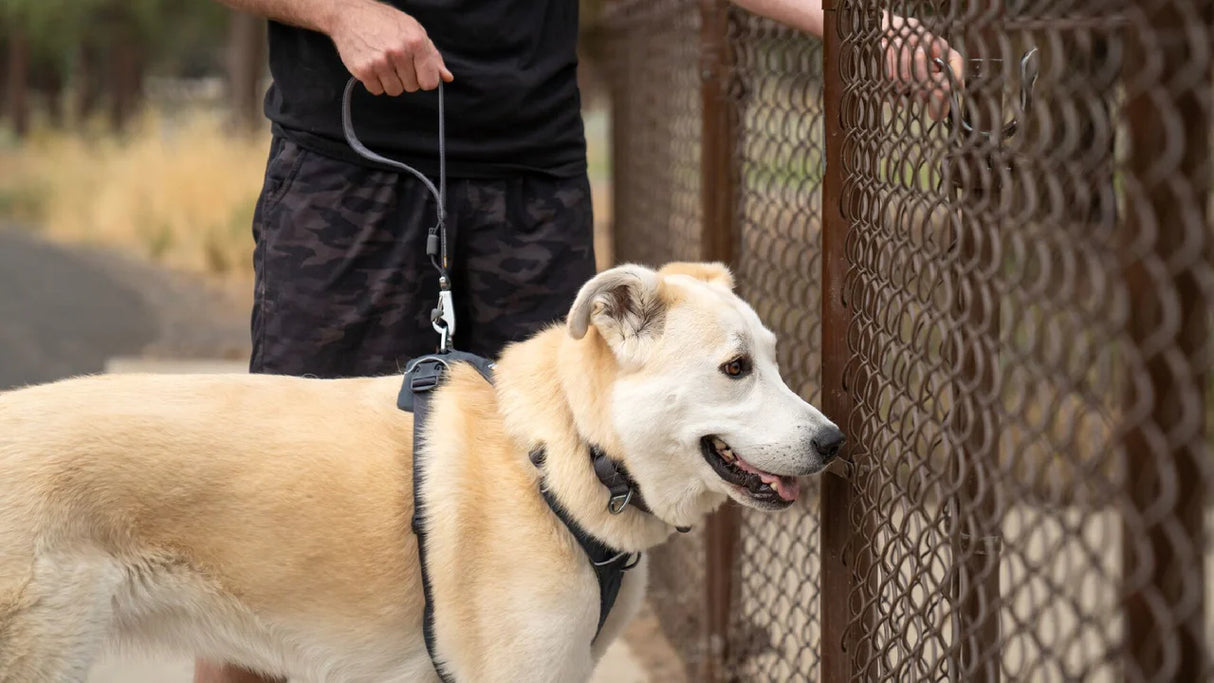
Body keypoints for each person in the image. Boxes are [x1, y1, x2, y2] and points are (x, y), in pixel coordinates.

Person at [200, 0, 961, 680]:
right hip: (349, 162)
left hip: (534, 177)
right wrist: (338, 11)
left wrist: (860, 24)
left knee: (556, 508)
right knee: (271, 507)